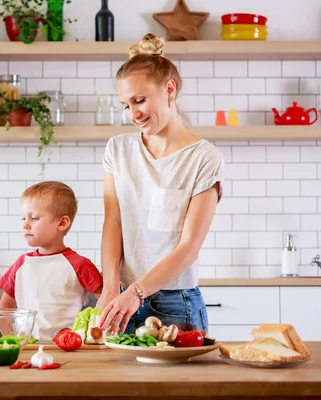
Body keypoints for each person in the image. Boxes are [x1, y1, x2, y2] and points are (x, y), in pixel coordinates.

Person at [96, 33, 225, 335]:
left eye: (139, 100)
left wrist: (136, 292)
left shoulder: (204, 158)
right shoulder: (118, 149)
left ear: (169, 89)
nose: (133, 114)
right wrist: (111, 286)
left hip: (175, 303)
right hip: (123, 301)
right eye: (126, 105)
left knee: (180, 385)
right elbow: (112, 222)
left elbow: (189, 247)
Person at [0, 181, 103, 342]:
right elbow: (5, 307)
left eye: (34, 218)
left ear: (62, 223)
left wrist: (89, 330)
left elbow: (105, 299)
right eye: (23, 218)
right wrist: (10, 339)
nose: (25, 224)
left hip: (67, 347)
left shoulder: (79, 264)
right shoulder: (21, 264)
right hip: (27, 347)